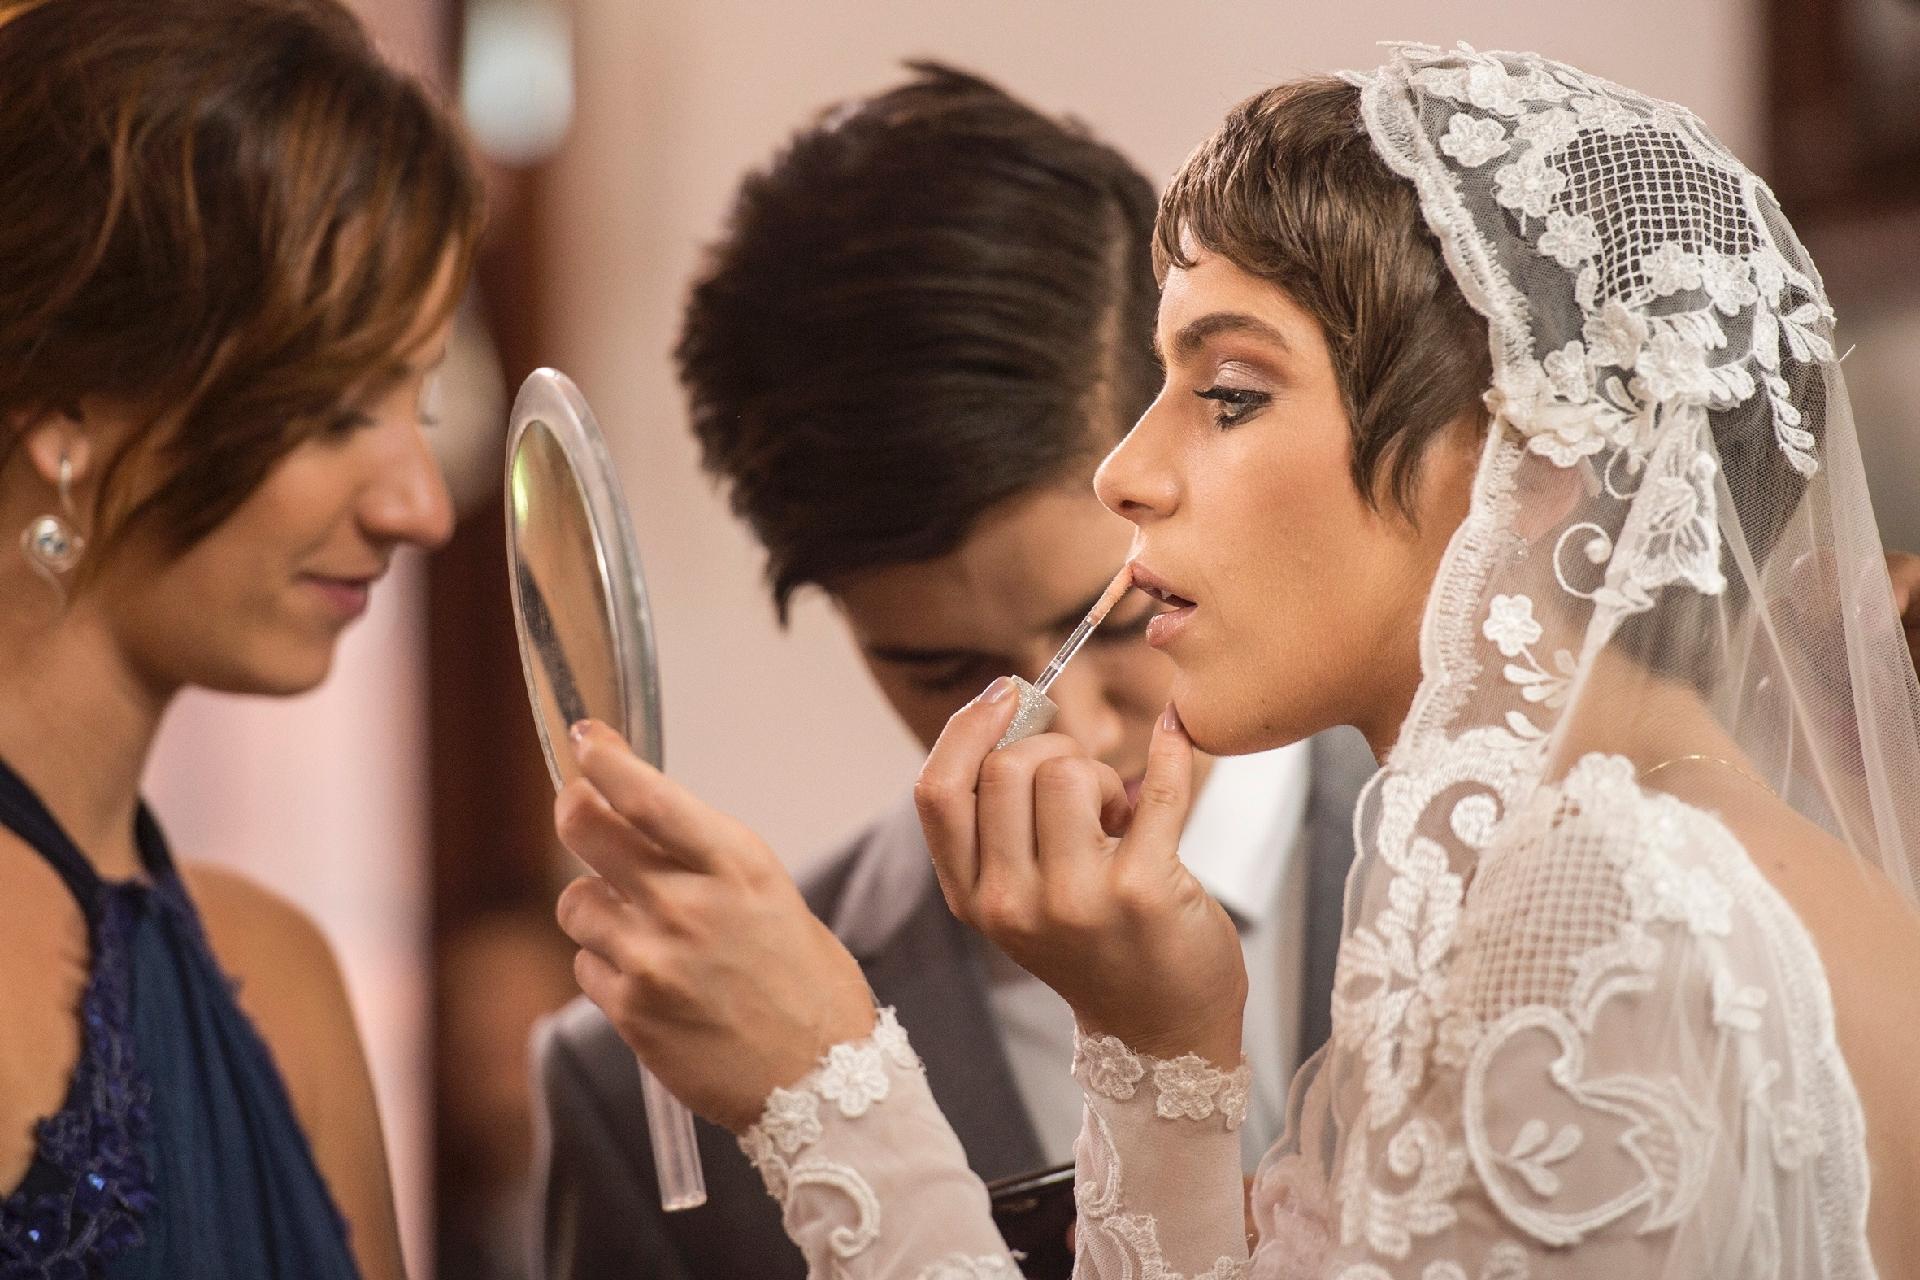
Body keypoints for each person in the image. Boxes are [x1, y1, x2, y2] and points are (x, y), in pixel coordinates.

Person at [554, 46, 1920, 1278]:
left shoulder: (1604, 909)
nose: (1127, 470)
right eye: (1162, 387)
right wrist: (1161, 1061)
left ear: (1536, 453)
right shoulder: (1676, 852)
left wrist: (830, 1101)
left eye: (1227, 395)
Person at [532, 64, 1376, 1280]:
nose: (1064, 733)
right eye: (942, 667)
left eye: (1119, 617)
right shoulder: (637, 1092)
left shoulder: (1502, 862)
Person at [0, 2, 482, 1277]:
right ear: (68, 415)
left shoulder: (282, 978)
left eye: (419, 403)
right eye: (334, 409)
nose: (418, 506)